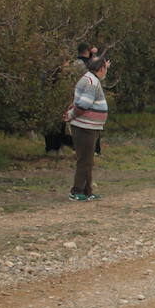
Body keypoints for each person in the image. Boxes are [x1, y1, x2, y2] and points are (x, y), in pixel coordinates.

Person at [67, 54, 109, 201]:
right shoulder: (91, 81)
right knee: (85, 159)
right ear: (101, 68)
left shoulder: (90, 78)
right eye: (105, 68)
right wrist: (71, 115)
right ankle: (76, 191)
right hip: (84, 126)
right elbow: (84, 104)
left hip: (89, 126)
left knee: (88, 159)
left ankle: (87, 191)